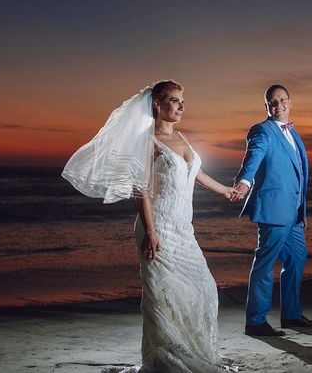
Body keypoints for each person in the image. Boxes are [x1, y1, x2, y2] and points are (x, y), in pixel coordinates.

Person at [62, 80, 237, 372]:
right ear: (157, 103)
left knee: (204, 289)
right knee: (163, 297)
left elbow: (195, 172)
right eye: (175, 100)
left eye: (183, 101)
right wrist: (151, 232)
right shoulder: (146, 141)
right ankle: (166, 360)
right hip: (159, 228)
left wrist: (224, 191)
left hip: (184, 230)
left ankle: (195, 351)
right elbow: (140, 189)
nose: (181, 106)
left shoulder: (182, 138)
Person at [232, 84, 312, 336]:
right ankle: (256, 322)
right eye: (273, 101)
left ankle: (291, 315)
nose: (278, 104)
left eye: (282, 100)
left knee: (297, 258)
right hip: (273, 209)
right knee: (265, 263)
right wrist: (244, 181)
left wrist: (301, 211)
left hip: (293, 213)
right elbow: (254, 156)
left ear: (290, 102)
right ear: (266, 107)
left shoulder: (294, 134)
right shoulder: (262, 131)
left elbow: (299, 174)